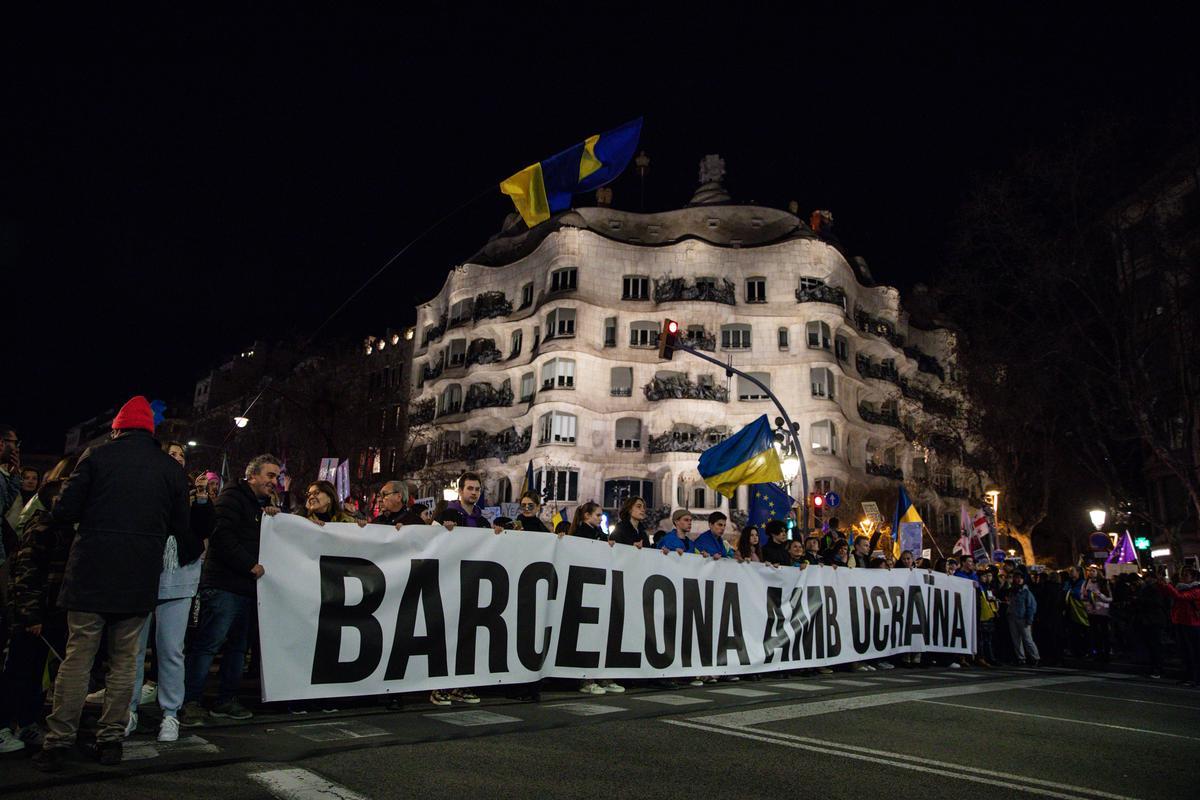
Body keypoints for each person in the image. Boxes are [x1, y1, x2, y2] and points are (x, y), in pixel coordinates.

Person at [33, 397, 193, 772]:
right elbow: (180, 527)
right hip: (137, 576)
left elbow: (65, 511)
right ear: (150, 432)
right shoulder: (169, 470)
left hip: (90, 572)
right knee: (124, 662)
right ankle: (110, 740)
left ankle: (58, 741)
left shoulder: (97, 458)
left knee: (78, 658)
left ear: (118, 428)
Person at [179, 454, 282, 728]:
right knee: (208, 645)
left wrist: (273, 518)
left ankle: (226, 700)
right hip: (225, 584)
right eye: (270, 476)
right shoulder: (232, 498)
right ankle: (190, 701)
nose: (275, 482)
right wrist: (249, 565)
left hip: (247, 587)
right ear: (253, 475)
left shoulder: (262, 505)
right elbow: (221, 535)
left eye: (277, 477)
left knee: (238, 648)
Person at [0, 457, 77, 754]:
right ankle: (4, 723)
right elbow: (26, 573)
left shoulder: (64, 528)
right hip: (31, 615)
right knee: (18, 671)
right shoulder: (42, 527)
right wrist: (30, 614)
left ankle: (28, 720)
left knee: (36, 674)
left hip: (49, 614)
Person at [1157, 566, 1200, 687]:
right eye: (1183, 575)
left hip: (1192, 624)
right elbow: (1167, 593)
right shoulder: (1181, 588)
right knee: (1185, 652)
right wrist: (1161, 582)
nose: (1183, 578)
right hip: (1181, 622)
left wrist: (1167, 584)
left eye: (1186, 575)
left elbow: (1179, 597)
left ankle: (1195, 678)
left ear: (1193, 577)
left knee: (1193, 652)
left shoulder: (1196, 590)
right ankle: (1188, 676)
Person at [1132, 573, 1169, 678]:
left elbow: (1158, 603)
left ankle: (1158, 668)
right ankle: (1154, 667)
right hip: (1149, 620)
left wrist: (1139, 600)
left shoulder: (1154, 589)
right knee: (1152, 645)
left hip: (1153, 620)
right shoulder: (1148, 588)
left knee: (1155, 645)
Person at [1008, 572, 1040, 666]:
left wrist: (1029, 619)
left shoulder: (1026, 591)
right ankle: (1021, 658)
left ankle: (1035, 657)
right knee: (1016, 640)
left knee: (1027, 639)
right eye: (1016, 578)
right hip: (1013, 617)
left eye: (1020, 578)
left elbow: (1031, 606)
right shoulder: (1012, 590)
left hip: (1023, 618)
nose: (1018, 580)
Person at [1082, 565, 1112, 662]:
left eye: (1093, 571)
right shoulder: (1086, 582)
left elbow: (1110, 598)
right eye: (1089, 571)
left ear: (1098, 572)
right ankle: (1098, 652)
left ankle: (1106, 652)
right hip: (1091, 612)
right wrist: (1086, 597)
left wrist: (1099, 594)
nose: (1091, 572)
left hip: (1102, 612)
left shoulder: (1104, 582)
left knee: (1104, 633)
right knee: (1094, 633)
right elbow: (1082, 596)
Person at [976, 569, 999, 667]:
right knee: (982, 639)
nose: (986, 578)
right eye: (984, 576)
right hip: (982, 615)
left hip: (989, 615)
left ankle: (990, 658)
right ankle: (982, 658)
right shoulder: (979, 588)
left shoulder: (988, 587)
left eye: (988, 576)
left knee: (988, 639)